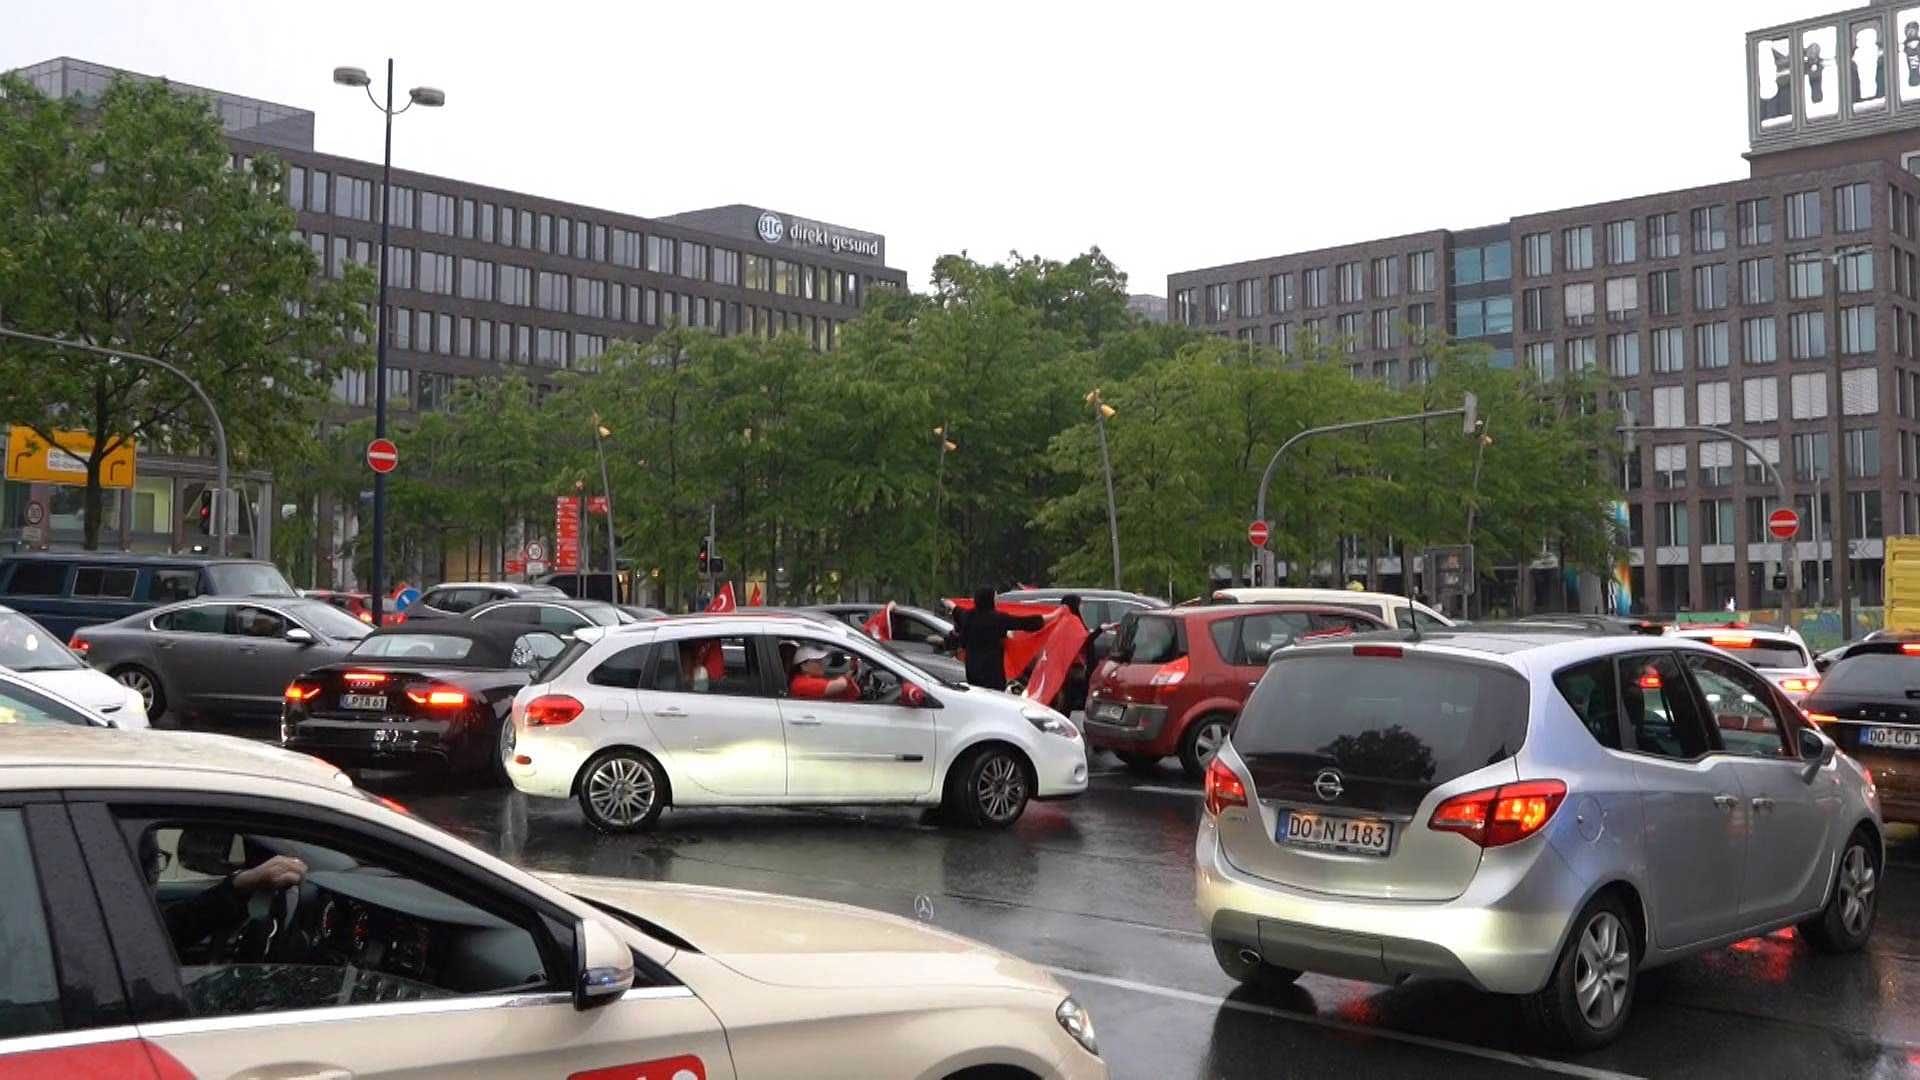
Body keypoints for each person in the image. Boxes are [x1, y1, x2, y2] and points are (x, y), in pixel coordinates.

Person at [141, 830, 307, 953]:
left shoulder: (133, 928)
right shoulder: (137, 934)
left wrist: (239, 885)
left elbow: (182, 922)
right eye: (154, 856)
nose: (156, 870)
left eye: (157, 856)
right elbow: (178, 925)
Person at [946, 588, 1046, 691]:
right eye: (995, 598)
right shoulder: (998, 619)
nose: (996, 601)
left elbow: (955, 609)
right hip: (992, 675)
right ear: (990, 599)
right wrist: (1053, 616)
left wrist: (947, 601)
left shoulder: (968, 616)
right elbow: (1025, 622)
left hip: (973, 672)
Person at [787, 643, 859, 701]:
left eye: (821, 660)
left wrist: (851, 672)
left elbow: (852, 694)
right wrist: (847, 674)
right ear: (803, 666)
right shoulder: (801, 683)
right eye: (817, 661)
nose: (822, 663)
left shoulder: (812, 678)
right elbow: (840, 685)